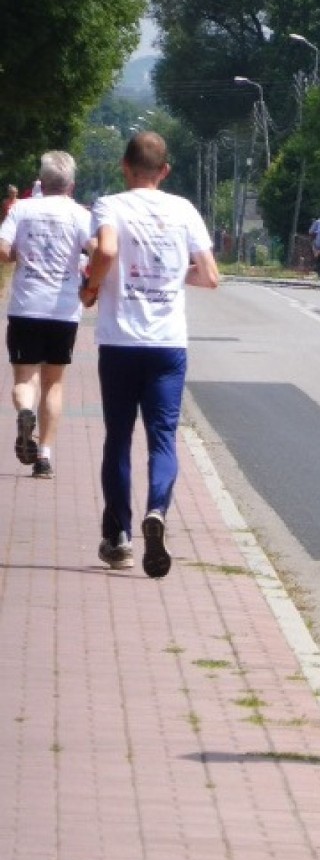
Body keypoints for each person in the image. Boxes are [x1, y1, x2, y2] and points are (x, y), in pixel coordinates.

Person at [81, 131, 219, 577]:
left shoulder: (110, 205)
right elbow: (211, 276)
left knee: (117, 438)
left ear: (124, 166)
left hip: (120, 343)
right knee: (163, 438)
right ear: (165, 171)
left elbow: (105, 249)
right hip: (167, 345)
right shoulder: (183, 210)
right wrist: (173, 276)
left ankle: (119, 536)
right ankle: (157, 509)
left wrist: (92, 286)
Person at [0, 153, 93, 479]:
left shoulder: (23, 209)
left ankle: (26, 411)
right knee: (54, 383)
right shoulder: (80, 214)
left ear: (41, 180)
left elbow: (2, 248)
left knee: (25, 379)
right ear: (71, 184)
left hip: (26, 306)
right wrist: (90, 285)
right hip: (64, 309)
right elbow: (97, 250)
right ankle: (44, 456)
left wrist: (17, 256)